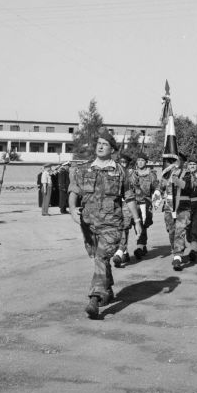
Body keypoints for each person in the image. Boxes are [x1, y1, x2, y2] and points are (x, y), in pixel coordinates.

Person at [68, 129, 140, 319]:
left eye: (105, 144)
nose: (100, 146)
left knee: (101, 257)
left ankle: (95, 298)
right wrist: (72, 209)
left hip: (112, 224)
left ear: (112, 149)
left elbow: (130, 197)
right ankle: (107, 287)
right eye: (98, 143)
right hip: (89, 225)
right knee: (98, 257)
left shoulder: (120, 171)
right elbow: (73, 192)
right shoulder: (83, 169)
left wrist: (138, 220)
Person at [159, 153, 194, 272]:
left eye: (179, 160)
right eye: (174, 160)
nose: (176, 162)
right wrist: (157, 194)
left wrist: (177, 180)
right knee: (171, 230)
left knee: (180, 230)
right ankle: (175, 249)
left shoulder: (187, 173)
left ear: (183, 162)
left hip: (182, 207)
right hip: (169, 207)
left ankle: (177, 257)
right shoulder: (167, 173)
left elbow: (187, 187)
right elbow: (161, 187)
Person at [112, 153, 137, 268]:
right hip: (116, 203)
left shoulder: (131, 173)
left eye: (124, 163)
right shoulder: (114, 172)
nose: (122, 164)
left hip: (127, 202)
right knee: (116, 227)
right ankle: (124, 251)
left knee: (125, 226)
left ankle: (120, 251)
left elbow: (135, 187)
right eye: (121, 162)